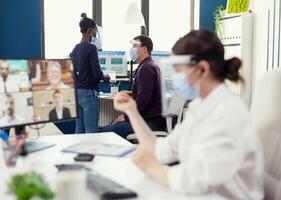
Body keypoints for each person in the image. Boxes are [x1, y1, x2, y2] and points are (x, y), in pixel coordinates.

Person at [112, 30, 264, 199]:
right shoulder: (200, 107)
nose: (175, 77)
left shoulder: (228, 114)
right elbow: (162, 149)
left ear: (202, 69)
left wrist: (151, 167)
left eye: (178, 70)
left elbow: (193, 181)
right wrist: (132, 111)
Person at [102, 35, 165, 139]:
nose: (132, 49)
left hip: (149, 123)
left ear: (144, 49)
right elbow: (147, 92)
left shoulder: (146, 68)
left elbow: (143, 100)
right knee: (113, 124)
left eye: (135, 46)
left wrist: (126, 117)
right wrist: (131, 92)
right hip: (151, 120)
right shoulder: (151, 65)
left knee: (106, 131)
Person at [70, 13, 109, 133]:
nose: (96, 34)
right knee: (91, 133)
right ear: (90, 30)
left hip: (77, 94)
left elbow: (73, 74)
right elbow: (97, 74)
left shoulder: (74, 49)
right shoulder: (92, 48)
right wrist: (105, 76)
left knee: (79, 131)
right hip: (89, 94)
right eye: (95, 31)